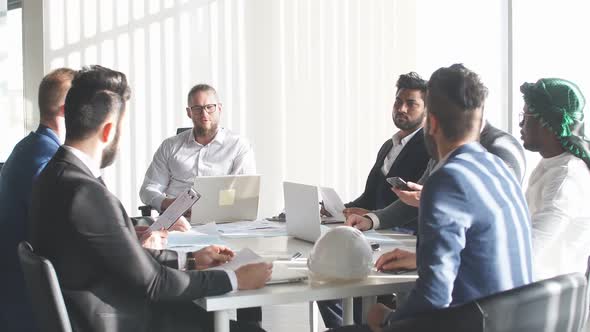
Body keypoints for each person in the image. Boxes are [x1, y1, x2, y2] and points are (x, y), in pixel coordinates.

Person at [28, 65, 271, 332]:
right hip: (123, 319)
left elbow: (125, 261)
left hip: (98, 311)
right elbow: (155, 283)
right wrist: (234, 279)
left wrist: (189, 259)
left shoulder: (52, 175)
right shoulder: (87, 193)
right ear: (109, 131)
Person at [334, 64, 533, 332]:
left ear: (433, 122)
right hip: (511, 321)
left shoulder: (446, 180)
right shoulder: (498, 168)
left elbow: (434, 296)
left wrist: (386, 318)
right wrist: (422, 258)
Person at [347, 120, 526, 233]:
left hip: (476, 267)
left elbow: (490, 208)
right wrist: (372, 220)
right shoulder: (443, 144)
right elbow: (418, 197)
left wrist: (432, 198)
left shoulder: (501, 147)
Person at [0, 68, 75, 332]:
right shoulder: (47, 162)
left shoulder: (29, 147)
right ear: (68, 110)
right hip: (27, 305)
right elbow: (69, 241)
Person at [140, 84, 256, 214]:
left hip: (221, 220)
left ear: (219, 109)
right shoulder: (169, 146)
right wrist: (169, 204)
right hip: (177, 220)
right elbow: (148, 189)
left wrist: (214, 208)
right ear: (189, 112)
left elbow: (244, 193)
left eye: (210, 107)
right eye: (197, 108)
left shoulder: (238, 145)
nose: (204, 113)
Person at [519, 78, 590, 280]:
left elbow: (527, 251)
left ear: (548, 121)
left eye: (526, 116)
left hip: (545, 299)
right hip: (532, 289)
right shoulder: (549, 165)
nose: (520, 124)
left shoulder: (566, 178)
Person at [341, 72, 430, 217]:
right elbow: (369, 198)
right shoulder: (388, 146)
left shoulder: (430, 148)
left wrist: (374, 217)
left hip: (404, 236)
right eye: (398, 101)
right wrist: (338, 209)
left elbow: (419, 206)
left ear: (427, 109)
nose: (401, 109)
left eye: (411, 103)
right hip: (375, 231)